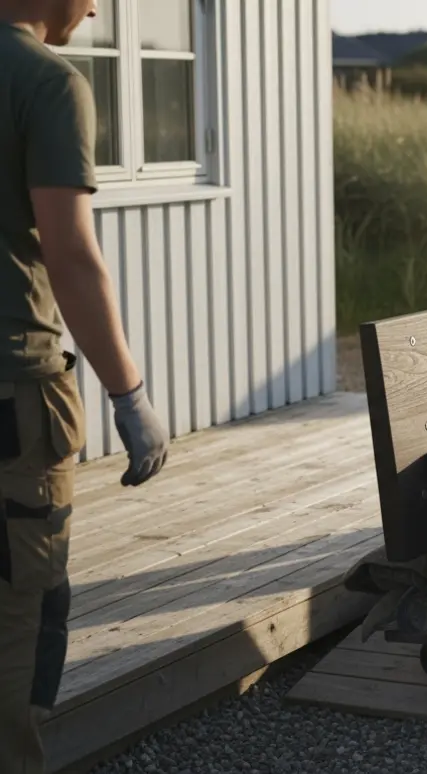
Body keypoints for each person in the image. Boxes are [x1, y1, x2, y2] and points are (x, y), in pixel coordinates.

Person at [1, 2, 171, 771]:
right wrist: (130, 397)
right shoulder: (46, 81)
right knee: (21, 621)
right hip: (12, 394)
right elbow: (70, 255)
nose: (98, 5)